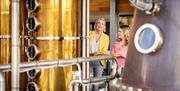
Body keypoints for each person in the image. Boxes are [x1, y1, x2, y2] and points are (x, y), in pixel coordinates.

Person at [89, 17, 109, 91]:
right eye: (99, 23)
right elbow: (83, 47)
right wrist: (91, 54)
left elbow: (104, 51)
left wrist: (97, 53)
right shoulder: (89, 33)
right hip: (87, 60)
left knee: (96, 84)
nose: (100, 25)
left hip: (99, 61)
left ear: (104, 27)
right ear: (95, 25)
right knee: (86, 82)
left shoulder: (106, 37)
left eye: (102, 24)